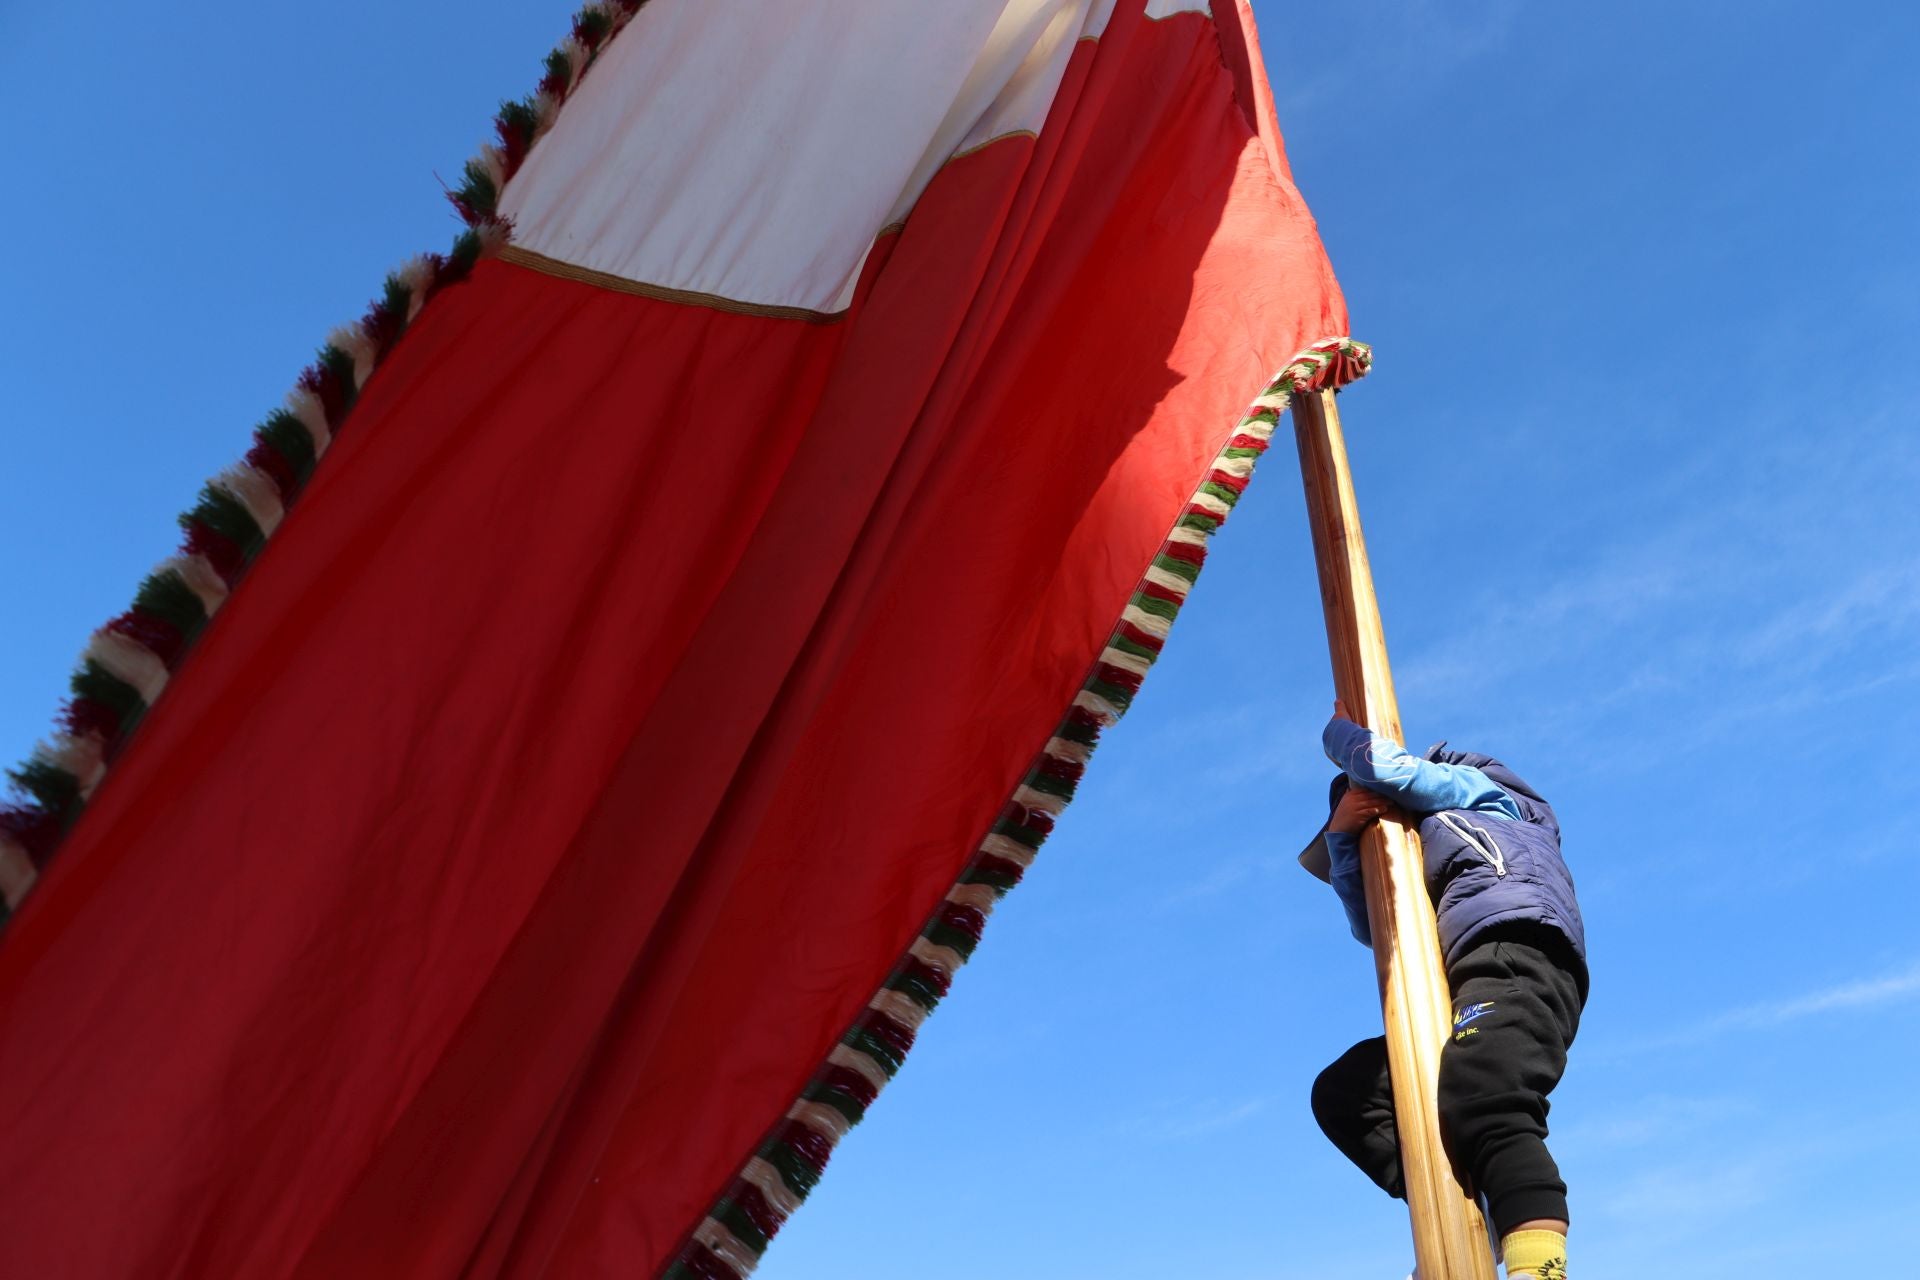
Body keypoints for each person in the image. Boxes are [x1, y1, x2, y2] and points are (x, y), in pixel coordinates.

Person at [1299, 702, 1586, 1280]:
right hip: (1460, 988)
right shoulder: (1417, 862)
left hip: (1514, 949)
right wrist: (1341, 837)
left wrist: (1340, 734)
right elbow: (1372, 924)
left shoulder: (1485, 796)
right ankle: (1467, 1221)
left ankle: (1540, 1268)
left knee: (1488, 1092)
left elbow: (1390, 770)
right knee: (1348, 1091)